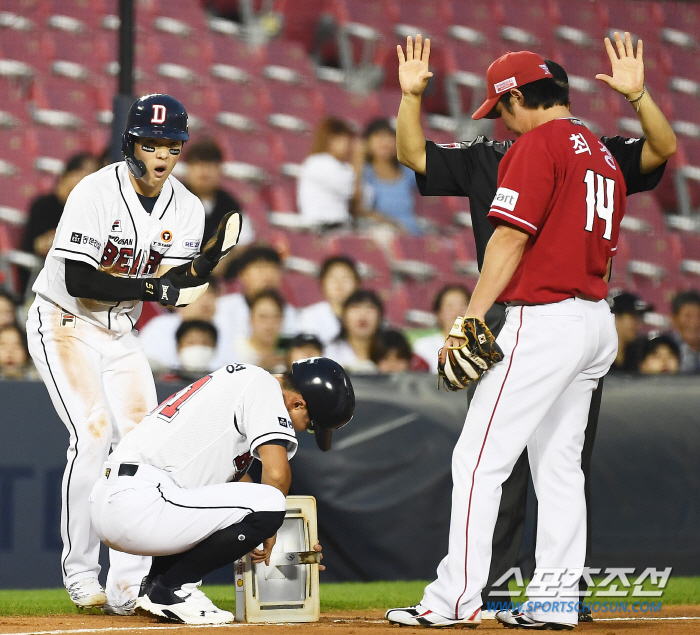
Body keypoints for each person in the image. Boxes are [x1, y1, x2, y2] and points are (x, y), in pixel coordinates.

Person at [392, 32, 675, 620]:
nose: (502, 122)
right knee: (559, 467)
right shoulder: (595, 148)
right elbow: (662, 149)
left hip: (543, 320)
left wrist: (468, 317)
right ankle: (555, 599)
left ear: (520, 97)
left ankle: (454, 600)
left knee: (476, 461)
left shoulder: (539, 144)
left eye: (502, 108)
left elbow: (511, 238)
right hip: (596, 322)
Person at [25, 94, 212, 614]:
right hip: (63, 321)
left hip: (120, 331)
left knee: (144, 447)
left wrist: (184, 280)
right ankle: (82, 576)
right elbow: (81, 282)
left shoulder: (189, 208)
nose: (161, 155)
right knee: (91, 435)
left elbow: (176, 286)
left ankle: (128, 586)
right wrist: (160, 287)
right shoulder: (95, 191)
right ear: (131, 144)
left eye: (170, 145)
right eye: (151, 143)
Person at [89, 357, 354, 624]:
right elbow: (276, 475)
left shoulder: (240, 384)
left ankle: (158, 586)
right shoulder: (264, 385)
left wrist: (291, 544)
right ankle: (173, 588)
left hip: (124, 497)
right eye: (310, 423)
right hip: (142, 499)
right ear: (297, 402)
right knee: (271, 502)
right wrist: (271, 528)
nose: (304, 429)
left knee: (263, 505)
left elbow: (241, 495)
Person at [19, 153, 98, 292]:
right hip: (41, 276)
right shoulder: (43, 205)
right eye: (83, 174)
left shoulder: (84, 211)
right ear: (67, 175)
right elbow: (40, 246)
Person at [184, 137, 254, 268]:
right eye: (198, 165)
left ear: (220, 170)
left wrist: (221, 261)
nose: (204, 172)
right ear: (188, 169)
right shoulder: (171, 199)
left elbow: (243, 241)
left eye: (210, 166)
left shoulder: (230, 205)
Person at [215, 245, 297, 345]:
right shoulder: (223, 307)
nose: (268, 276)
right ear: (242, 275)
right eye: (260, 268)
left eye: (273, 269)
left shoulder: (290, 313)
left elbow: (285, 350)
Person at [138, 281, 220, 373]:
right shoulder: (159, 326)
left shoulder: (226, 327)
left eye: (210, 294)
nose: (205, 301)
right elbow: (146, 368)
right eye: (198, 295)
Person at [297, 117, 361, 228]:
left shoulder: (344, 166)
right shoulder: (318, 162)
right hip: (321, 225)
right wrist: (358, 159)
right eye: (344, 140)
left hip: (341, 225)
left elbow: (365, 199)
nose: (350, 146)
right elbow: (352, 192)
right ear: (330, 140)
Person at [363, 118, 420, 234]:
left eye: (390, 137)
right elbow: (360, 209)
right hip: (382, 231)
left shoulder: (408, 172)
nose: (385, 142)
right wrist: (394, 226)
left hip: (412, 231)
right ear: (367, 142)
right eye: (379, 136)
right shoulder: (365, 173)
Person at [297, 256, 361, 345]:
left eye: (345, 278)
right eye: (333, 278)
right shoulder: (309, 316)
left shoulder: (368, 314)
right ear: (322, 284)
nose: (339, 284)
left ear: (357, 283)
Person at [413, 284, 471, 374]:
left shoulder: (482, 347)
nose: (458, 312)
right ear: (439, 313)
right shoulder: (423, 347)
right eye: (450, 307)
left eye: (463, 306)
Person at [325, 289, 383, 373]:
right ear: (344, 317)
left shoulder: (389, 352)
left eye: (370, 308)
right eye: (355, 308)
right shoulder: (330, 351)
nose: (363, 314)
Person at [231, 289, 287, 372]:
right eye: (263, 317)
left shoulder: (288, 352)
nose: (269, 324)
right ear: (251, 319)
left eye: (276, 317)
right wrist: (260, 367)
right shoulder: (235, 349)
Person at [608, 291, 653, 373]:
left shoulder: (639, 353)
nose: (639, 325)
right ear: (614, 318)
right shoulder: (593, 357)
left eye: (639, 318)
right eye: (633, 317)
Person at [670, 290, 700, 373]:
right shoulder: (667, 349)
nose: (694, 323)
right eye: (688, 316)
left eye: (699, 316)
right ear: (674, 318)